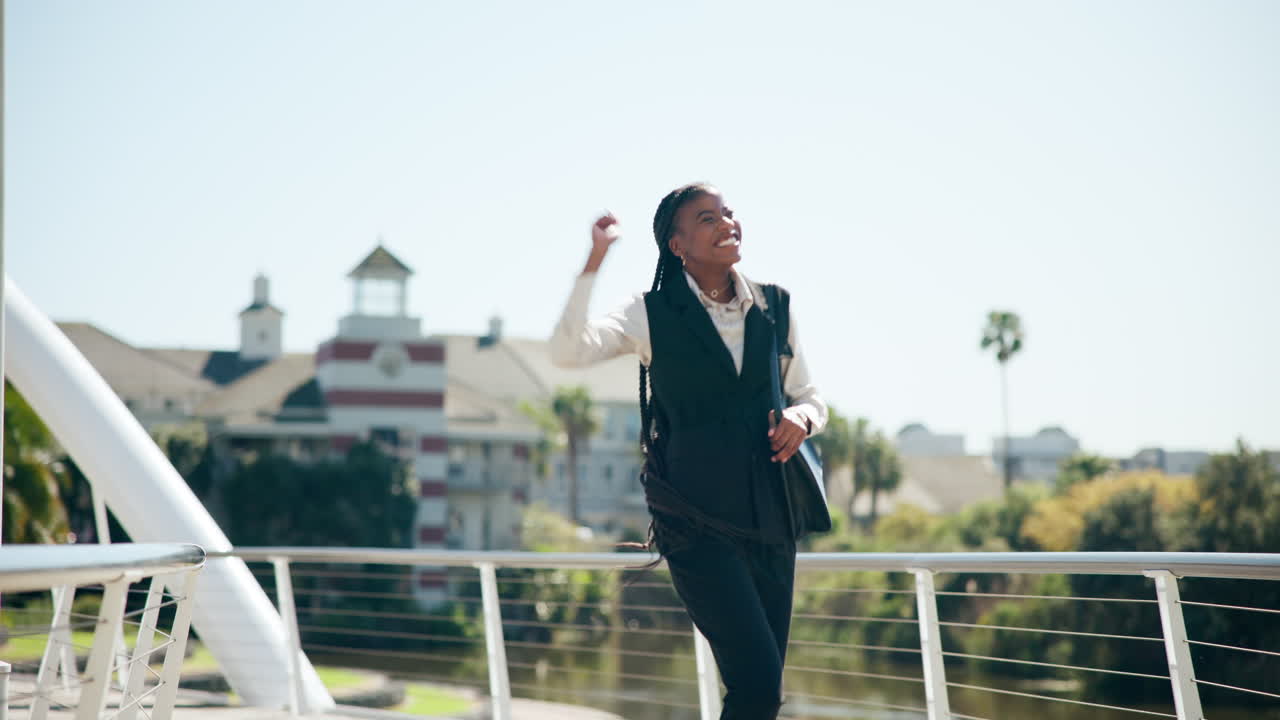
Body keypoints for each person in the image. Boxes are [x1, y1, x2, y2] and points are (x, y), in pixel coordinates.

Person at [549, 182, 828, 719]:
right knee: (757, 680)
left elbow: (811, 396)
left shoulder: (775, 305)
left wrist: (802, 418)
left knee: (761, 693)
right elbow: (567, 352)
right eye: (707, 218)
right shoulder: (650, 312)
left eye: (728, 212)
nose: (727, 222)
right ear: (677, 245)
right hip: (695, 525)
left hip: (773, 521)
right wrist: (594, 260)